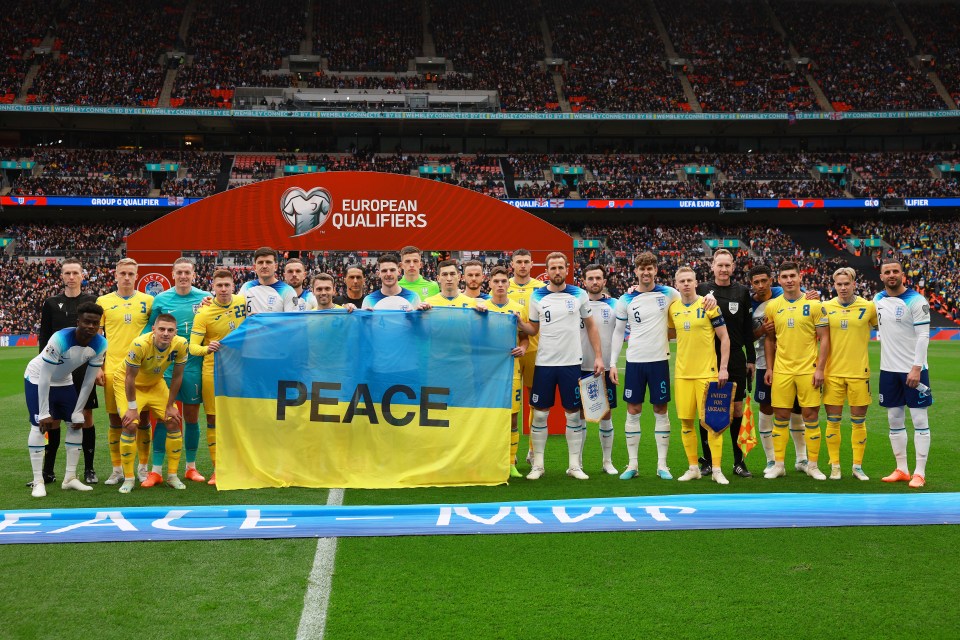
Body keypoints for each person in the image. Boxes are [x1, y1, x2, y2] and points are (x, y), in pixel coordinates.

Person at [525, 252, 604, 481]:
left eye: (561, 267)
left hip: (572, 364)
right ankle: (538, 465)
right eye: (553, 268)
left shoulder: (579, 294)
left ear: (567, 269)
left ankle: (574, 465)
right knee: (540, 416)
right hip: (545, 364)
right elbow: (533, 329)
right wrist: (519, 323)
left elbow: (591, 326)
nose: (557, 272)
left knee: (572, 415)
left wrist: (598, 356)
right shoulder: (537, 296)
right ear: (547, 271)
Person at [609, 252, 684, 480]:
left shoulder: (670, 293)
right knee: (633, 411)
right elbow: (618, 332)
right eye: (642, 268)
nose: (646, 272)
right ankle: (632, 465)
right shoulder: (626, 299)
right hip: (634, 362)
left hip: (659, 361)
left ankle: (663, 465)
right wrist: (613, 363)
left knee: (661, 410)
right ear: (635, 271)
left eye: (650, 268)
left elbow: (689, 304)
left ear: (656, 270)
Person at [25, 302, 106, 497]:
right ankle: (38, 481)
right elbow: (45, 375)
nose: (91, 327)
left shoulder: (101, 343)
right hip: (38, 378)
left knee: (76, 423)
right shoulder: (60, 338)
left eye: (95, 323)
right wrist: (44, 412)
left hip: (64, 380)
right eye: (87, 322)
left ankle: (70, 478)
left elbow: (88, 382)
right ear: (78, 321)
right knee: (39, 425)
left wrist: (78, 411)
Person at [143, 257, 210, 483]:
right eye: (179, 272)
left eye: (187, 272)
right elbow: (148, 329)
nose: (183, 276)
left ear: (193, 274)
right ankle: (156, 471)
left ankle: (191, 467)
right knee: (163, 417)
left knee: (191, 417)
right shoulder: (161, 299)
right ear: (173, 274)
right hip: (165, 369)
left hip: (192, 367)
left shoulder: (205, 299)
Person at [763, 262, 831, 480]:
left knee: (810, 416)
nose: (789, 280)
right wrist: (770, 368)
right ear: (779, 280)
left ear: (800, 277)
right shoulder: (772, 306)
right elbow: (770, 339)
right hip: (782, 370)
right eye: (784, 276)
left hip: (807, 370)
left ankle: (812, 465)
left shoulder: (814, 305)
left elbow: (825, 339)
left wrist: (820, 369)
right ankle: (779, 465)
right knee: (780, 416)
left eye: (793, 275)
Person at [34, 258, 98, 486]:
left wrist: (101, 367)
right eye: (67, 273)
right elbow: (44, 337)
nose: (71, 277)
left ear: (82, 276)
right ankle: (48, 471)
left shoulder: (92, 301)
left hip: (83, 368)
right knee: (53, 419)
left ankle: (89, 469)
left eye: (75, 273)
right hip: (56, 369)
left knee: (86, 415)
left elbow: (101, 335)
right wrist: (43, 366)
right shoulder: (51, 303)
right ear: (61, 276)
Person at [696, 249, 755, 478]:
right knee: (707, 410)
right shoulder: (701, 290)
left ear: (733, 266)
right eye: (719, 265)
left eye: (727, 265)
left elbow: (747, 329)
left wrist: (750, 358)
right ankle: (708, 461)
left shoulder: (741, 292)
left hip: (736, 360)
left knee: (737, 409)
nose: (723, 269)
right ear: (712, 266)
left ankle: (739, 462)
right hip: (708, 359)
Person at [668, 267, 731, 484]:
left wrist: (723, 368)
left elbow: (724, 338)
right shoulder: (673, 308)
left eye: (689, 280)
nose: (685, 284)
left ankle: (716, 470)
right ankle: (693, 467)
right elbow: (668, 333)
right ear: (676, 284)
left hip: (708, 374)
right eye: (681, 281)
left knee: (713, 423)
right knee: (686, 423)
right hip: (683, 375)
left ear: (696, 282)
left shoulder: (708, 305)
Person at [874, 260, 933, 488]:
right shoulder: (878, 299)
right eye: (887, 272)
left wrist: (917, 367)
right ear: (881, 276)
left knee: (919, 419)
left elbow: (923, 336)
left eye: (895, 271)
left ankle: (919, 472)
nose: (891, 275)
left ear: (902, 274)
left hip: (913, 371)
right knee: (894, 419)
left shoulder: (916, 301)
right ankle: (902, 469)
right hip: (888, 371)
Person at [113, 314, 187, 493]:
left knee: (173, 420)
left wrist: (170, 405)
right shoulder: (139, 344)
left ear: (175, 332)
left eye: (170, 330)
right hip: (130, 384)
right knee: (130, 425)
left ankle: (172, 476)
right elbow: (129, 377)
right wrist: (132, 408)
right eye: (161, 329)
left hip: (155, 384)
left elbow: (177, 376)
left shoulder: (181, 344)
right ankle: (129, 479)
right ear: (153, 329)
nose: (166, 333)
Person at [96, 258, 154, 485]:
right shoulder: (103, 301)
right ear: (116, 275)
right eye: (123, 273)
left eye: (131, 273)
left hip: (142, 370)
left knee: (144, 418)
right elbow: (99, 338)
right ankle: (117, 469)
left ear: (137, 275)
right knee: (115, 420)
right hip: (113, 369)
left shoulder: (149, 301)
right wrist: (99, 367)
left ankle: (143, 467)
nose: (127, 277)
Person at [748, 265, 810, 472]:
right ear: (751, 284)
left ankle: (801, 459)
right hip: (763, 363)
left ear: (772, 280)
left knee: (796, 409)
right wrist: (760, 331)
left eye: (764, 281)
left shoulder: (781, 294)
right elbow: (742, 336)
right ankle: (772, 460)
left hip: (792, 362)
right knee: (766, 407)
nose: (760, 285)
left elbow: (802, 299)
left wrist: (813, 296)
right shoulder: (746, 302)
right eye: (756, 282)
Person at [189, 269, 247, 486]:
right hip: (213, 371)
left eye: (227, 285)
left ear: (233, 285)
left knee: (238, 419)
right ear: (213, 287)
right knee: (213, 419)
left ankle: (239, 466)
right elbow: (192, 347)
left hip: (240, 370)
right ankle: (217, 470)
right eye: (219, 285)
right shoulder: (204, 313)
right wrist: (207, 348)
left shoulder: (243, 302)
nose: (223, 289)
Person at [822, 267, 877, 481]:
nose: (843, 287)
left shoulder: (869, 307)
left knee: (858, 421)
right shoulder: (825, 307)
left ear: (854, 283)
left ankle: (857, 466)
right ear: (833, 285)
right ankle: (835, 466)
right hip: (832, 373)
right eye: (839, 284)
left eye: (847, 283)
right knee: (833, 421)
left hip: (858, 373)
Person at [487, 266, 532, 478]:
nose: (500, 285)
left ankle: (510, 462)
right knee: (486, 417)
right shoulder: (481, 307)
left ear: (508, 284)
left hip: (510, 369)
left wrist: (523, 348)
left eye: (503, 281)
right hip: (487, 372)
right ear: (490, 284)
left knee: (512, 417)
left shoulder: (517, 309)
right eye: (496, 281)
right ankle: (487, 459)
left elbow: (525, 336)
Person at [579, 264, 619, 475]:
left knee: (606, 414)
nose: (594, 282)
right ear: (584, 281)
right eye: (590, 278)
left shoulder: (615, 305)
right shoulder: (577, 304)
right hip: (578, 366)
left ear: (604, 281)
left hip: (604, 369)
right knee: (579, 415)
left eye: (598, 278)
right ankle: (577, 463)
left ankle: (607, 461)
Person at [507, 248, 545, 464]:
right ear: (512, 264)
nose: (522, 265)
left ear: (532, 265)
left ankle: (532, 451)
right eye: (519, 261)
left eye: (526, 261)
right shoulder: (503, 286)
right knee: (509, 405)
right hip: (509, 353)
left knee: (536, 403)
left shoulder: (540, 289)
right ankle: (508, 454)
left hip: (535, 351)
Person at [240, 247, 299, 313]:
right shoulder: (246, 287)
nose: (264, 266)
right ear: (255, 267)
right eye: (260, 262)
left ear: (276, 267)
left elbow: (291, 320)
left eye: (268, 262)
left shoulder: (288, 291)